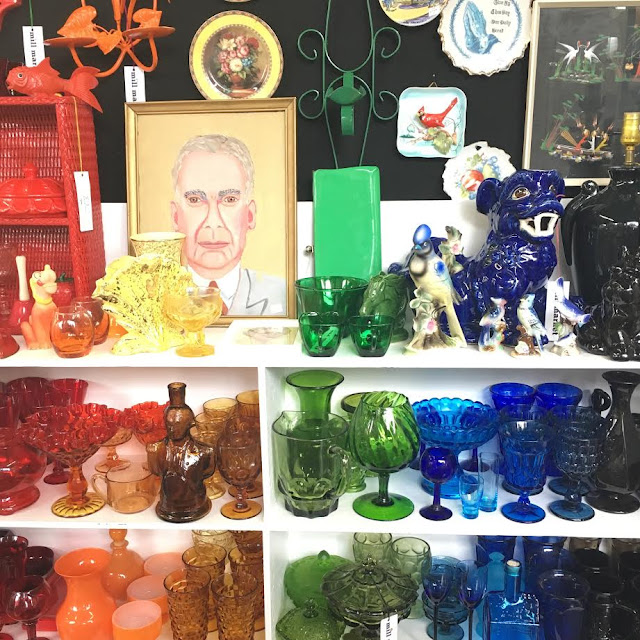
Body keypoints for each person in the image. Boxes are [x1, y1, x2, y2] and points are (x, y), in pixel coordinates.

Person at [171, 134, 286, 316]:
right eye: (195, 200)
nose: (213, 222)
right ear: (176, 217)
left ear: (250, 215)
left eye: (229, 199)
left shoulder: (283, 296)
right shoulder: (155, 300)